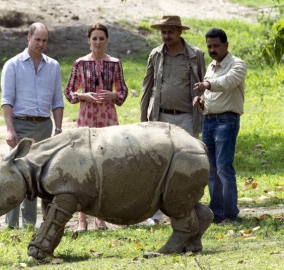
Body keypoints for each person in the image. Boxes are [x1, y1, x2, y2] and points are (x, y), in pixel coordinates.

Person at [140, 15, 206, 226]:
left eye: (170, 32)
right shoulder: (156, 54)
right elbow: (147, 87)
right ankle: (156, 214)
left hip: (187, 117)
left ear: (179, 32)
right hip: (160, 117)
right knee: (157, 164)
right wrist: (143, 120)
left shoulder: (195, 55)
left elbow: (204, 85)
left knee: (187, 165)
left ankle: (188, 210)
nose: (166, 36)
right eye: (163, 32)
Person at [64, 23, 128, 232]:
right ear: (88, 40)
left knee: (106, 167)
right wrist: (84, 95)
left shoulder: (115, 64)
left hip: (108, 118)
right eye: (94, 38)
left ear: (107, 40)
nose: (98, 42)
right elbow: (69, 93)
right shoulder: (80, 64)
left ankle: (100, 216)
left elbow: (123, 92)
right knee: (85, 167)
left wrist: (113, 95)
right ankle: (82, 218)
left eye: (101, 38)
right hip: (87, 117)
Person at [1, 22, 64, 229]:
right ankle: (11, 225)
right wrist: (10, 129)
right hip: (21, 125)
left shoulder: (53, 66)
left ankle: (29, 224)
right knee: (15, 175)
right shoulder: (13, 65)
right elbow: (7, 100)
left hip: (44, 126)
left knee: (35, 177)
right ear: (28, 38)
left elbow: (57, 101)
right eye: (37, 39)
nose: (41, 44)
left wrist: (58, 129)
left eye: (44, 40)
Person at [193, 28, 247, 224]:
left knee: (224, 167)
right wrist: (201, 101)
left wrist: (207, 86)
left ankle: (231, 214)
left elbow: (228, 82)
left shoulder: (238, 64)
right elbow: (212, 93)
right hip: (209, 120)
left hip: (227, 121)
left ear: (226, 45)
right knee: (212, 169)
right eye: (209, 46)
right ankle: (216, 213)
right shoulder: (211, 66)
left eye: (216, 45)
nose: (212, 49)